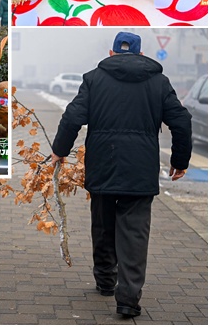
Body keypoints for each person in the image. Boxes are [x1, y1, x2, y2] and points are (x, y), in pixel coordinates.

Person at [51, 32, 192, 319]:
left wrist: (59, 150)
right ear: (141, 54)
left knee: (103, 223)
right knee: (135, 232)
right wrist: (180, 160)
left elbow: (72, 116)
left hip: (104, 162)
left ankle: (105, 281)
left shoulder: (94, 78)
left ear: (112, 52)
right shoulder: (159, 82)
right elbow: (181, 120)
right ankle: (127, 299)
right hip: (140, 168)